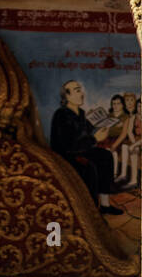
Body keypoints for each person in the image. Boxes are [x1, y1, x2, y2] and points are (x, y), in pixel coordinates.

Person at [50, 80, 117, 213]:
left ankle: (105, 204)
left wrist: (101, 131)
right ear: (67, 96)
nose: (82, 94)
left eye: (80, 89)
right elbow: (68, 145)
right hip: (66, 156)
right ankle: (90, 210)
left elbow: (90, 131)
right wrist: (94, 139)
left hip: (82, 150)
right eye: (77, 90)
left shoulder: (80, 113)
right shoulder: (61, 115)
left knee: (105, 156)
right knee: (89, 167)